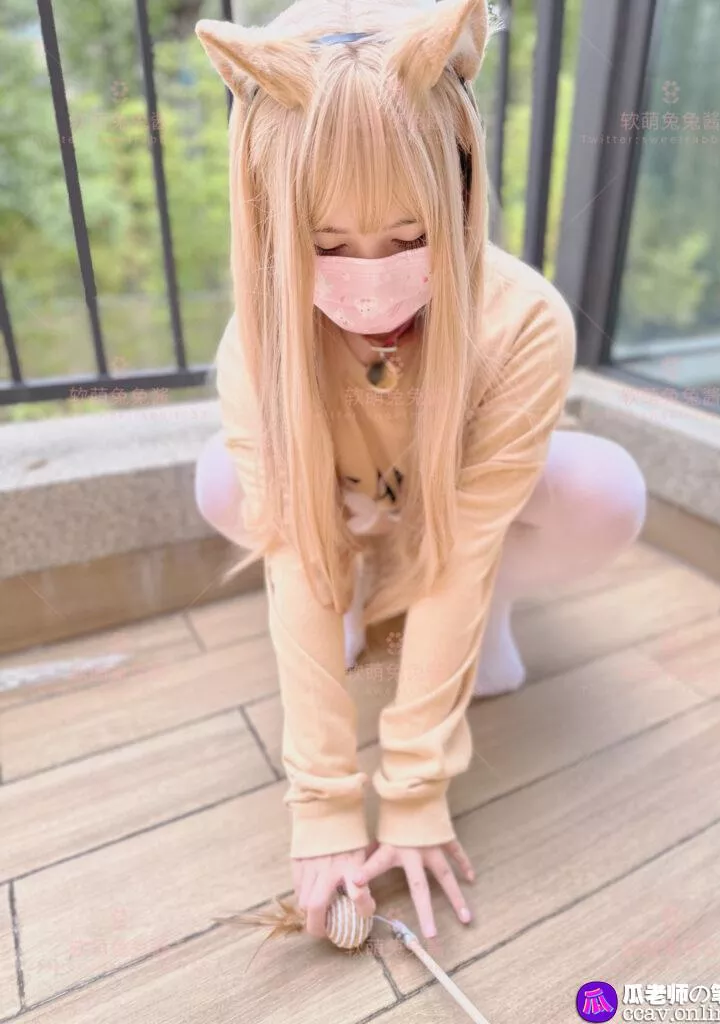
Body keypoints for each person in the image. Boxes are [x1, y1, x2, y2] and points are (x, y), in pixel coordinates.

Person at [193, 0, 647, 945]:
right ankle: (358, 590)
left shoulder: (525, 320)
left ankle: (483, 616)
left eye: (409, 237)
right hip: (348, 517)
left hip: (456, 528)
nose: (371, 281)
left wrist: (413, 790)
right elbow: (286, 548)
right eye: (326, 245)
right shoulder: (256, 338)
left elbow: (466, 542)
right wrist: (323, 804)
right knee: (226, 483)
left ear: (462, 182)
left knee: (603, 488)